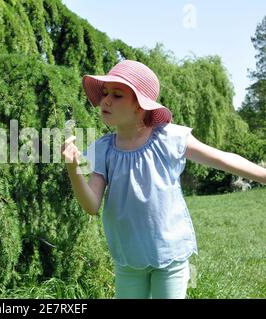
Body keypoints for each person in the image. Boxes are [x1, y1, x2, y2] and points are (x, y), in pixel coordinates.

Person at [61, 59, 266, 299]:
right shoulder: (103, 149)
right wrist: (73, 169)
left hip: (170, 255)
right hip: (128, 259)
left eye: (117, 95)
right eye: (105, 93)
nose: (105, 100)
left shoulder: (169, 139)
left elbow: (221, 158)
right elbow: (91, 206)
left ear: (140, 106)